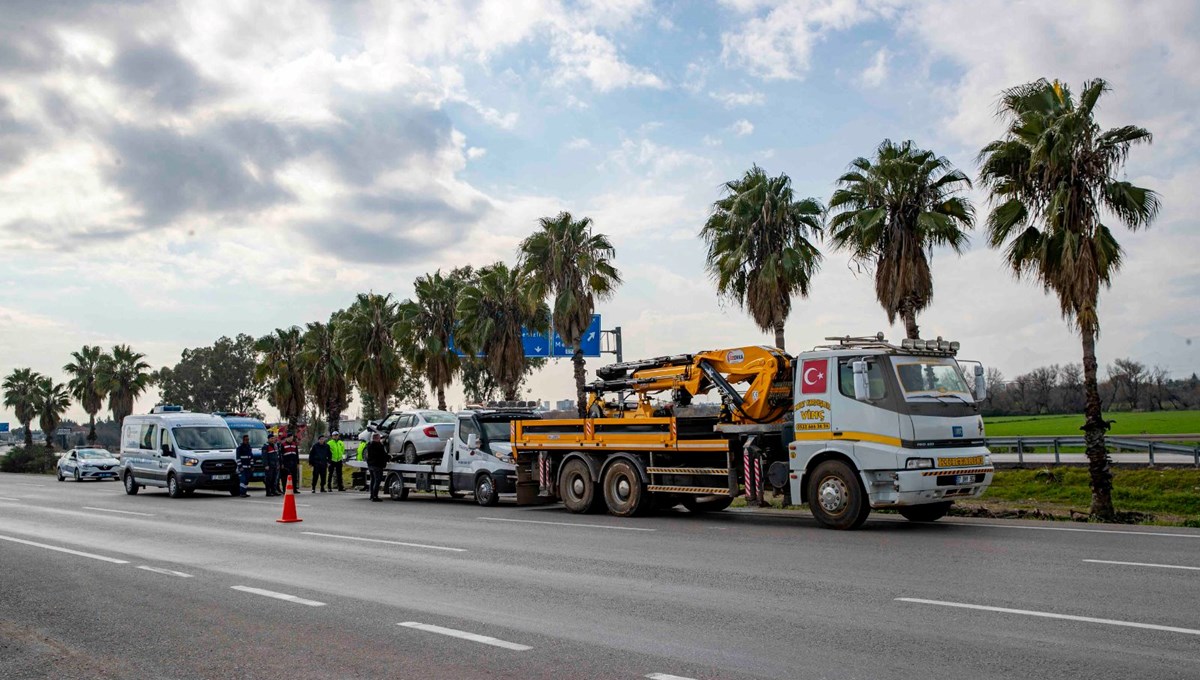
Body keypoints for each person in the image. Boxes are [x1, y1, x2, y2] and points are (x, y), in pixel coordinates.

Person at [366, 432, 388, 502]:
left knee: (373, 480)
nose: (380, 439)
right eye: (380, 438)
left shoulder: (369, 445)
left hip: (371, 465)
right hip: (377, 465)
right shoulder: (379, 446)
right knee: (377, 481)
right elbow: (382, 455)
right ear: (377, 438)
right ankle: (375, 496)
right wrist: (389, 457)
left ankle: (372, 495)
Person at [262, 433, 280, 497]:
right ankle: (268, 492)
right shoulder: (266, 446)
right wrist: (266, 465)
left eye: (273, 438)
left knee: (274, 479)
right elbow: (264, 457)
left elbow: (276, 456)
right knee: (268, 479)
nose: (273, 440)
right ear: (268, 439)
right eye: (271, 438)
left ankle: (273, 490)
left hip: (275, 465)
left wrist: (277, 464)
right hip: (269, 466)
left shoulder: (275, 446)